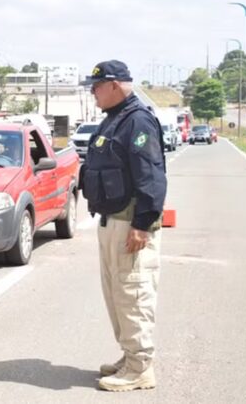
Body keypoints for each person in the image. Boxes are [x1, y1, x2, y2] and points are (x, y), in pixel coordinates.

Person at [79, 60, 167, 392]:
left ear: (116, 85)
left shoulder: (138, 121)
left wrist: (142, 224)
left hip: (130, 223)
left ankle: (140, 366)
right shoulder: (114, 121)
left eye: (97, 86)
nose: (93, 92)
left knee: (133, 292)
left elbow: (151, 177)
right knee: (117, 294)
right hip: (111, 221)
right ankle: (130, 356)